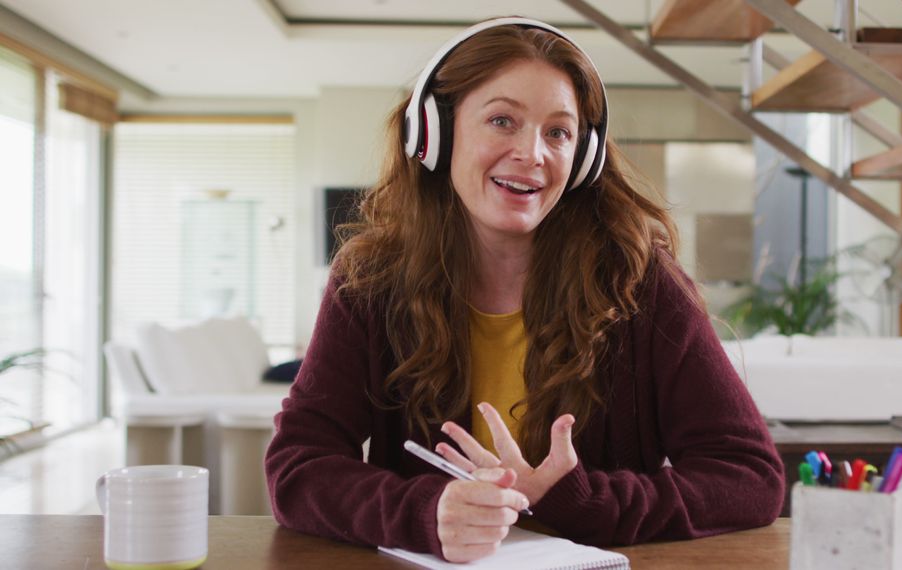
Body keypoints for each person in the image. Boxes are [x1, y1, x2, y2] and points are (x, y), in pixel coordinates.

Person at [265, 16, 785, 563]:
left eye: (558, 132)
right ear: (435, 134)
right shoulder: (369, 281)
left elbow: (749, 477)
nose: (532, 153)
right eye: (502, 121)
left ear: (582, 157)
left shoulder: (640, 282)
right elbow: (298, 466)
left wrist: (586, 503)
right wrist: (422, 512)